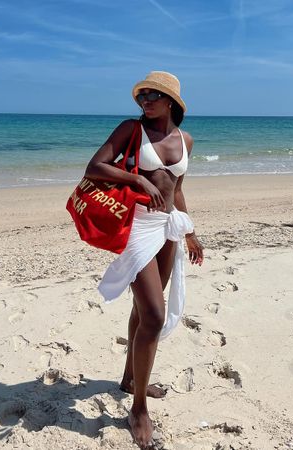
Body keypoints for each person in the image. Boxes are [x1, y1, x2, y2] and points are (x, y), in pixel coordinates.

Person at [84, 71, 204, 448]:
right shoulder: (130, 130)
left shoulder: (186, 140)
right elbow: (94, 167)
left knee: (143, 308)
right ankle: (137, 408)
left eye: (153, 95)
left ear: (171, 101)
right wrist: (138, 180)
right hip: (136, 229)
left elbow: (177, 189)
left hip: (167, 229)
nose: (145, 101)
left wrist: (190, 231)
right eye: (142, 96)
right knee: (154, 314)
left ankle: (129, 379)